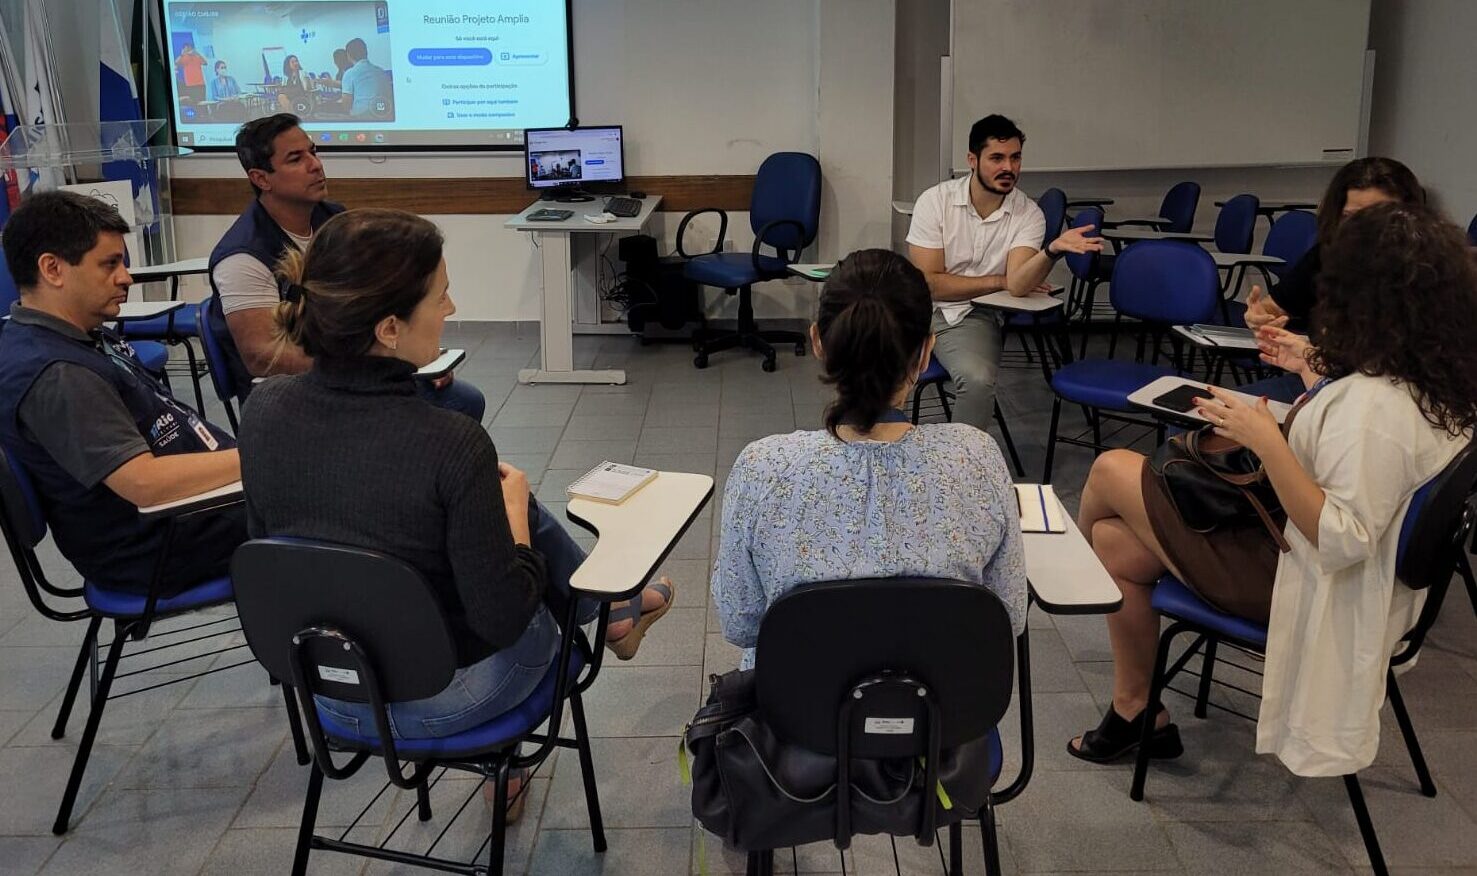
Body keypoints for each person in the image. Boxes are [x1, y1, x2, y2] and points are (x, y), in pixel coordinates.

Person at [238, 209, 675, 755]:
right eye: (440, 295)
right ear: (389, 328)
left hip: (329, 694)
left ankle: (606, 613)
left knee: (480, 514)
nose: (452, 309)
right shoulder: (450, 441)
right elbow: (504, 618)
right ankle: (587, 638)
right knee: (520, 548)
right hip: (451, 699)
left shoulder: (263, 408)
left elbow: (277, 555)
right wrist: (515, 519)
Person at [1067, 202, 1477, 779]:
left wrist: (1267, 441)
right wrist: (1309, 363)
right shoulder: (1431, 378)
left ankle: (1069, 591)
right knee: (1115, 543)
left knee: (1111, 469)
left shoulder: (1374, 412)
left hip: (1306, 579)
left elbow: (1341, 536)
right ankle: (1137, 712)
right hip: (1306, 559)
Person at [712, 248, 1028, 669]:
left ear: (818, 342)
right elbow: (1008, 617)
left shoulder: (763, 468)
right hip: (943, 725)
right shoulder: (977, 458)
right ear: (926, 351)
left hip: (794, 723)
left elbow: (740, 621)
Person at [0, 192, 244, 596]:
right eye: (110, 264)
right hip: (155, 545)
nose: (126, 277)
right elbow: (144, 483)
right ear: (53, 269)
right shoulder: (58, 373)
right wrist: (259, 459)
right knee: (339, 503)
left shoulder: (77, 335)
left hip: (184, 516)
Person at [207, 114, 485, 419]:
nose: (315, 165)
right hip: (295, 399)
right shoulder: (242, 257)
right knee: (454, 409)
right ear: (261, 178)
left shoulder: (333, 220)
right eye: (296, 159)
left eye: (313, 152)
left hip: (357, 374)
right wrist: (384, 365)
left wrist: (418, 355)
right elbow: (264, 357)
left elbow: (376, 299)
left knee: (463, 400)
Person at [906, 114, 1101, 431]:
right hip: (912, 309)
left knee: (978, 380)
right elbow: (929, 284)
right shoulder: (935, 201)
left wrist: (1051, 251)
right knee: (866, 361)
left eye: (1015, 157)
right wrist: (1000, 281)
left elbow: (1020, 285)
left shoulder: (1028, 214)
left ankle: (965, 471)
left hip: (970, 315)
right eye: (997, 158)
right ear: (972, 159)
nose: (1008, 168)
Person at [1240, 158, 1424, 401]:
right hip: (1317, 380)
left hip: (1386, 401)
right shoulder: (1329, 254)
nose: (1365, 228)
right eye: (1352, 216)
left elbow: (1401, 373)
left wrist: (1314, 359)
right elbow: (1274, 306)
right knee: (1195, 426)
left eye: (1381, 215)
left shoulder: (1425, 273)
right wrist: (1259, 316)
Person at [339, 38, 391, 118]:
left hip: (361, 118)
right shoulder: (381, 71)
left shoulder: (350, 73)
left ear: (348, 55)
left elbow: (346, 105)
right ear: (366, 52)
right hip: (383, 115)